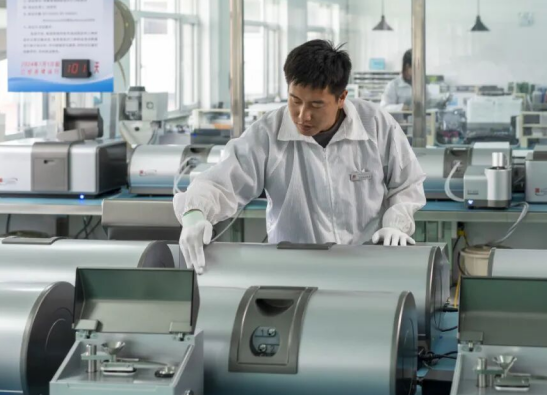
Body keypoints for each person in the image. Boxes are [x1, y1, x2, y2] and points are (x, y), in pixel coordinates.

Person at [174, 40, 427, 274]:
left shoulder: (376, 125)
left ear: (341, 98)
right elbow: (220, 182)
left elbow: (407, 183)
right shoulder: (268, 133)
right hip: (293, 270)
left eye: (316, 105)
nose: (302, 115)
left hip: (367, 265)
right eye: (295, 100)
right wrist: (195, 214)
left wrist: (396, 224)